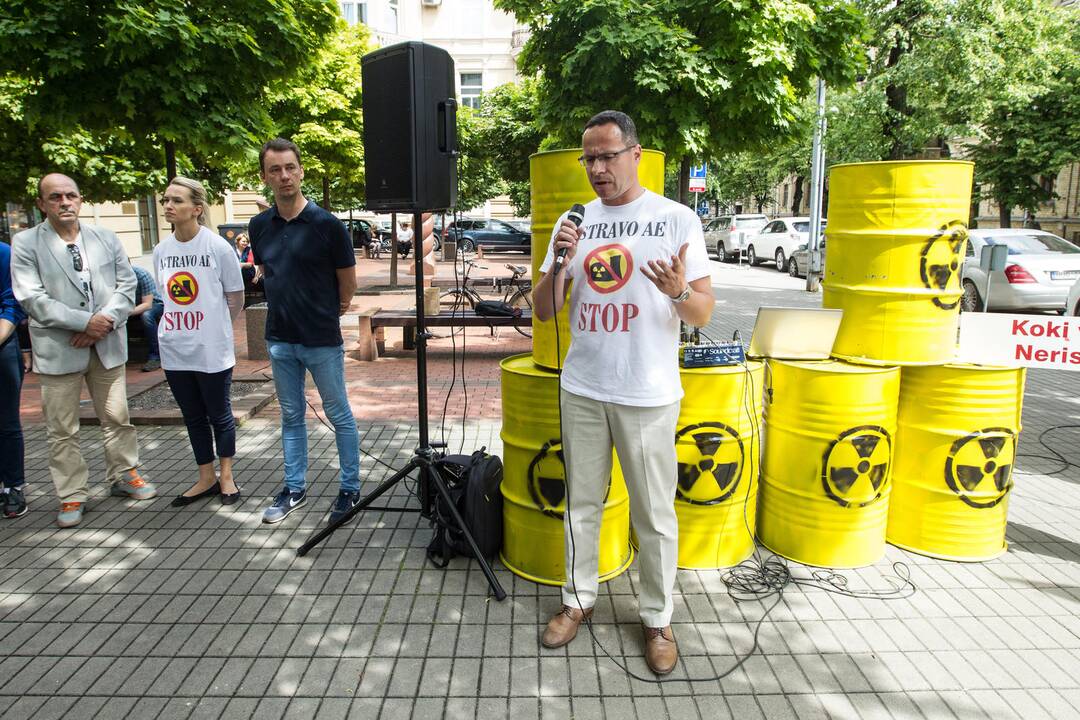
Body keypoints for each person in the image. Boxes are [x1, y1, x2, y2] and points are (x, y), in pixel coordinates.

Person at [532, 111, 715, 675]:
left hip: (648, 391)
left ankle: (657, 617)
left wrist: (679, 289)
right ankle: (576, 599)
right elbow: (542, 310)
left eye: (608, 156)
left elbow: (703, 313)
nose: (597, 168)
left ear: (636, 154)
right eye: (588, 158)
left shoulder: (674, 218)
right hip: (584, 386)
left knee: (654, 513)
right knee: (581, 504)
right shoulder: (574, 221)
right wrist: (561, 260)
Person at [11, 173, 157, 528]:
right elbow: (31, 297)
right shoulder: (26, 243)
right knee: (61, 426)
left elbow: (127, 284)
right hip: (60, 347)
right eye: (56, 197)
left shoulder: (105, 237)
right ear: (41, 204)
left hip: (106, 342)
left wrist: (102, 321)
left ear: (80, 200)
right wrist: (82, 323)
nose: (65, 203)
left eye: (71, 196)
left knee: (117, 416)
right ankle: (72, 493)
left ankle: (125, 474)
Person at [248, 138, 361, 525]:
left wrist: (336, 310)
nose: (284, 176)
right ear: (265, 176)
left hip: (321, 340)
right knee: (291, 416)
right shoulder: (259, 225)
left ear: (301, 170)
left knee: (338, 413)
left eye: (290, 167)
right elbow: (268, 270)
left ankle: (350, 487)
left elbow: (347, 281)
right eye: (275, 170)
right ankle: (294, 488)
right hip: (280, 339)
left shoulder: (328, 225)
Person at [154, 176, 245, 507]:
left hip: (211, 349)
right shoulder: (162, 251)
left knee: (219, 414)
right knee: (192, 416)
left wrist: (214, 326)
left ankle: (227, 476)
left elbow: (235, 297)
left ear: (196, 208)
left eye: (176, 201)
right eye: (166, 200)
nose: (168, 206)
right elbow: (166, 297)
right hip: (175, 349)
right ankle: (205, 477)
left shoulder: (217, 247)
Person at [0, 239, 27, 518]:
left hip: (2, 343)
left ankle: (14, 486)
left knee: (6, 421)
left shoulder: (4, 253)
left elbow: (12, 301)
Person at [130, 264, 164, 371]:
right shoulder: (111, 277)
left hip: (155, 304)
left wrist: (124, 313)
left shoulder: (141, 274)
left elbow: (147, 304)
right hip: (131, 307)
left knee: (146, 315)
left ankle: (155, 357)